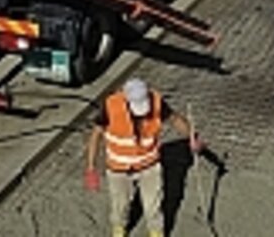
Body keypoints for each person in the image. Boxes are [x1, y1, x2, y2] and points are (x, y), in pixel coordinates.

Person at [85, 78, 202, 237]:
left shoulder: (156, 102)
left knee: (153, 205)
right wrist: (91, 168)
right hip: (118, 168)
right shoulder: (111, 106)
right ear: (126, 100)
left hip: (149, 165)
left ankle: (156, 232)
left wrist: (192, 137)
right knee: (120, 205)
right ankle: (119, 229)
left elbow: (175, 119)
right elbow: (95, 135)